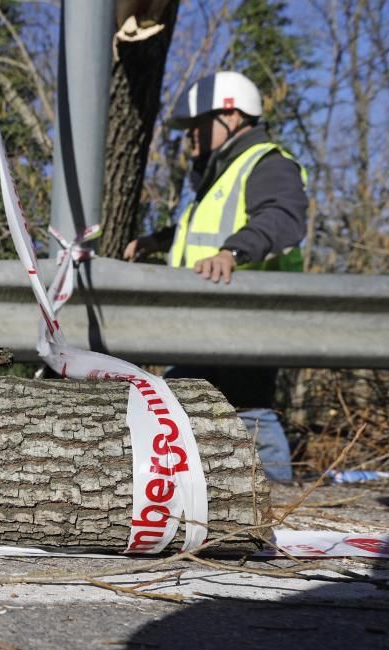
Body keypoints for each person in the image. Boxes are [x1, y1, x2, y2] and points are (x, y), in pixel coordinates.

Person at [124, 71, 308, 482]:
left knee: (250, 412)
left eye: (197, 125)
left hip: (248, 324)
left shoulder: (266, 163)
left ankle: (280, 506)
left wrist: (233, 253)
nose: (190, 136)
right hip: (207, 324)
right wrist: (157, 241)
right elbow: (205, 230)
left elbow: (282, 217)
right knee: (178, 403)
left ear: (231, 115)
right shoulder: (218, 179)